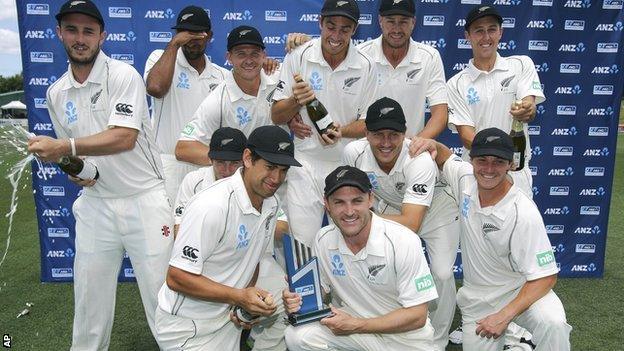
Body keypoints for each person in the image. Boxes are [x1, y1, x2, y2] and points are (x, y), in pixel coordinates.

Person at [27, 1, 173, 349]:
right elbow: (83, 162)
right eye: (72, 30)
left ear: (101, 36)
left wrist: (64, 148)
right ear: (59, 32)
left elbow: (124, 137)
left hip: (144, 199)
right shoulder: (55, 93)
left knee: (162, 300)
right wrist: (80, 172)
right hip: (97, 203)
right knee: (89, 302)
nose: (80, 38)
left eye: (88, 31)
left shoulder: (122, 75)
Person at [410, 128, 571, 351]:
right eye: (482, 160)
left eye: (497, 162)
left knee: (553, 324)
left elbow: (546, 277)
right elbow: (444, 155)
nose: (488, 169)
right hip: (478, 300)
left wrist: (504, 316)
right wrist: (430, 143)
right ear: (471, 160)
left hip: (520, 291)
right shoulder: (465, 180)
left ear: (511, 164)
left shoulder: (523, 212)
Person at [155, 125, 301, 350]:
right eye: (270, 167)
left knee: (291, 302)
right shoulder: (211, 205)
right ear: (248, 158)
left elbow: (251, 260)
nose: (276, 178)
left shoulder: (271, 203)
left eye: (283, 170)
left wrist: (245, 304)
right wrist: (240, 297)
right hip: (188, 327)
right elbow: (177, 277)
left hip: (226, 319)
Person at [343, 97, 459, 350]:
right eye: (378, 134)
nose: (386, 143)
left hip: (436, 211)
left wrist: (358, 217)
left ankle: (436, 341)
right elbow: (356, 196)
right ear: (366, 133)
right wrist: (360, 213)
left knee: (442, 273)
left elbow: (412, 222)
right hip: (389, 208)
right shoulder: (353, 152)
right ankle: (389, 321)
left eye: (393, 135)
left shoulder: (419, 159)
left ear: (405, 133)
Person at [283, 165, 438, 350]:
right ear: (327, 203)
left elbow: (418, 315)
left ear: (370, 199)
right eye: (339, 202)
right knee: (297, 336)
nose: (349, 211)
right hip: (356, 329)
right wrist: (297, 296)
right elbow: (321, 292)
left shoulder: (403, 240)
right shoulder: (323, 239)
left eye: (357, 201)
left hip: (406, 340)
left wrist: (357, 324)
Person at [271, 0, 378, 250]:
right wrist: (295, 102)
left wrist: (342, 131)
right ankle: (303, 290)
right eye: (331, 26)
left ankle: (341, 290)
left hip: (347, 164)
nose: (336, 35)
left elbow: (369, 124)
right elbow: (276, 114)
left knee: (349, 242)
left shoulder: (366, 65)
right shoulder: (299, 56)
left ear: (354, 30)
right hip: (304, 162)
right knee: (302, 242)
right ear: (320, 23)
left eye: (345, 29)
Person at [446, 5, 545, 198]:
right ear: (468, 36)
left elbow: (529, 106)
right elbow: (467, 136)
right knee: (476, 228)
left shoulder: (522, 64)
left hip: (516, 170)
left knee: (519, 227)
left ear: (501, 33)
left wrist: (527, 110)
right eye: (479, 31)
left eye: (492, 29)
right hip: (478, 171)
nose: (486, 37)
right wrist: (495, 163)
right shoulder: (456, 84)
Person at [144, 5, 229, 202]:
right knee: (166, 230)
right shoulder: (160, 58)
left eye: (197, 34)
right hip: (167, 163)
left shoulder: (222, 75)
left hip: (207, 165)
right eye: (185, 33)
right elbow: (155, 88)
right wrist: (174, 44)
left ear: (209, 35)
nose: (191, 40)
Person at [175, 25, 281, 166]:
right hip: (240, 180)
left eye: (255, 54)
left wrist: (299, 41)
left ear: (264, 55)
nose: (249, 60)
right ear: (229, 57)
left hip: (280, 176)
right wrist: (233, 160)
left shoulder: (279, 78)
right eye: (241, 54)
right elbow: (183, 149)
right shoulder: (218, 100)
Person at [173, 127, 247, 236]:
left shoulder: (253, 183)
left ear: (245, 161)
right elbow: (179, 229)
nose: (227, 170)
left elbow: (281, 225)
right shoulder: (193, 181)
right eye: (220, 162)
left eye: (234, 163)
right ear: (210, 160)